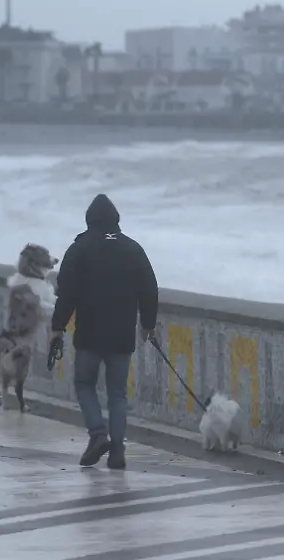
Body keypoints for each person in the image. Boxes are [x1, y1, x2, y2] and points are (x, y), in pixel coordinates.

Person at [50, 193, 159, 469]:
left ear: (90, 221)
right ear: (116, 220)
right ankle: (117, 450)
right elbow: (149, 289)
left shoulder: (80, 248)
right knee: (117, 393)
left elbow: (66, 293)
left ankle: (98, 435)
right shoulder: (133, 249)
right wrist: (148, 324)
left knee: (85, 384)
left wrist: (57, 328)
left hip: (89, 334)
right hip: (121, 335)